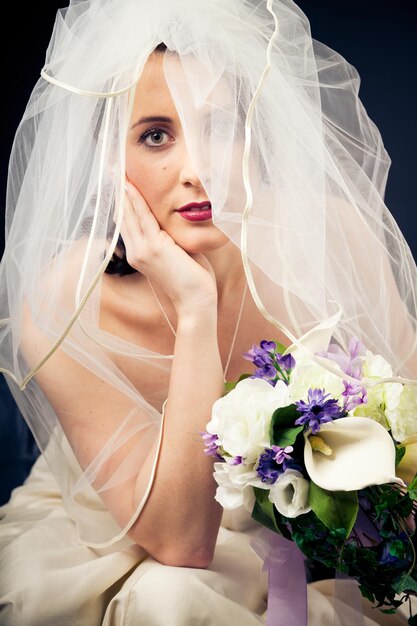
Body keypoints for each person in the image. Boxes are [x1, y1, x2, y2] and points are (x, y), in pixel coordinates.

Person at [0, 1, 416, 624]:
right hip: (142, 522)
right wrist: (197, 308)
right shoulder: (65, 303)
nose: (199, 170)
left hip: (329, 516)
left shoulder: (329, 230)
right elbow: (181, 541)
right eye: (157, 136)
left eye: (219, 126)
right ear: (102, 161)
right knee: (169, 601)